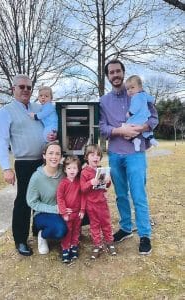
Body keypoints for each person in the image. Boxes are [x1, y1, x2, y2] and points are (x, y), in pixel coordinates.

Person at [99, 59, 159, 255]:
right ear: (108, 77)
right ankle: (125, 227)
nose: (115, 75)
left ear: (123, 73)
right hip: (115, 154)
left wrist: (140, 128)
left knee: (138, 195)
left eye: (118, 71)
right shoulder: (103, 101)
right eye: (111, 72)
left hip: (135, 154)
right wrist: (119, 130)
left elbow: (153, 119)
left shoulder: (137, 93)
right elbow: (102, 128)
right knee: (121, 194)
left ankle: (144, 235)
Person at [0, 74, 56, 256]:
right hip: (23, 163)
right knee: (24, 201)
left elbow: (51, 124)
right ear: (13, 89)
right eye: (21, 87)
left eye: (29, 87)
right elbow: (1, 141)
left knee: (44, 199)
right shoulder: (6, 112)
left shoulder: (40, 108)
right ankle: (20, 240)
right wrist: (6, 168)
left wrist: (52, 135)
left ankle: (40, 234)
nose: (26, 90)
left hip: (43, 162)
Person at [26, 141, 67, 255]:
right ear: (44, 155)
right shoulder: (37, 177)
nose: (54, 157)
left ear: (61, 157)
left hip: (62, 210)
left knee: (87, 213)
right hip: (43, 213)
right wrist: (54, 209)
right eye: (51, 153)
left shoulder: (64, 172)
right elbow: (32, 202)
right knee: (60, 230)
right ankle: (43, 235)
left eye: (57, 154)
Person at [80, 144, 117, 259]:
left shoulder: (102, 170)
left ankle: (109, 242)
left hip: (102, 202)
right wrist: (90, 182)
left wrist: (108, 180)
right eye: (92, 155)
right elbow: (82, 188)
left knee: (106, 223)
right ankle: (97, 244)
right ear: (87, 157)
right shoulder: (84, 172)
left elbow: (107, 185)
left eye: (98, 155)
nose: (95, 157)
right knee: (94, 225)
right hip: (91, 205)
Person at [57, 155, 85, 263]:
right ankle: (65, 248)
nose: (72, 171)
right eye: (69, 168)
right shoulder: (63, 183)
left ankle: (74, 246)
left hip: (77, 213)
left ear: (78, 169)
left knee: (76, 231)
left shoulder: (79, 182)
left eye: (74, 168)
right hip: (67, 214)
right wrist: (63, 212)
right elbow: (60, 198)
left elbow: (83, 196)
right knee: (68, 231)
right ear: (65, 169)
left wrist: (82, 210)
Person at [125, 75, 158, 151]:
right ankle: (151, 139)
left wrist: (130, 113)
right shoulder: (144, 95)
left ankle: (135, 140)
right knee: (146, 132)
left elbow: (135, 107)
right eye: (128, 89)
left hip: (136, 120)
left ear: (140, 87)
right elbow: (151, 99)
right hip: (145, 118)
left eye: (132, 87)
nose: (130, 90)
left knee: (129, 127)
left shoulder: (135, 97)